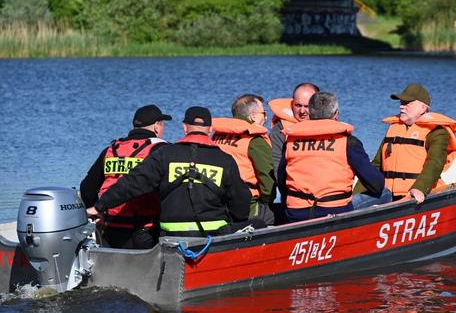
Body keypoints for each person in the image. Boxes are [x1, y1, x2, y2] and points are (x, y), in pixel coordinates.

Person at [87, 106, 253, 237]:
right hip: (212, 233)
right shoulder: (224, 159)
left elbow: (133, 182)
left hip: (170, 234)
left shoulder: (165, 154)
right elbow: (241, 201)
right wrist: (234, 220)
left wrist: (100, 206)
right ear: (210, 129)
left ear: (184, 128)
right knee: (257, 223)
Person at [277, 91, 385, 222]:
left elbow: (282, 181)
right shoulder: (348, 142)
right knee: (386, 193)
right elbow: (376, 184)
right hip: (334, 213)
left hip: (296, 214)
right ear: (336, 114)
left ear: (310, 113)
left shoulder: (290, 141)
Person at [80, 104, 171, 249]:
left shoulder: (111, 150)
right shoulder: (161, 150)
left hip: (111, 228)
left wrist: (97, 211)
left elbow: (87, 189)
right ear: (156, 127)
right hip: (146, 231)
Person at [366, 83, 456, 204]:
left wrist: (420, 188)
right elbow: (376, 166)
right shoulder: (394, 129)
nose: (401, 107)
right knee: (354, 204)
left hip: (417, 194)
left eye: (407, 103)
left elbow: (435, 163)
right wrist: (356, 194)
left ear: (423, 108)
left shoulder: (438, 132)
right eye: (401, 103)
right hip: (388, 194)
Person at [211, 94, 276, 226]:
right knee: (272, 216)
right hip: (248, 201)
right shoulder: (255, 139)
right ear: (253, 116)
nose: (266, 117)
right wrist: (266, 201)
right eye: (264, 113)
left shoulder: (217, 135)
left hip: (217, 197)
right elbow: (267, 177)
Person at [268, 82, 319, 170]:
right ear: (292, 104)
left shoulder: (327, 126)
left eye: (307, 106)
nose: (302, 111)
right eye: (298, 105)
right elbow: (274, 162)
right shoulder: (280, 129)